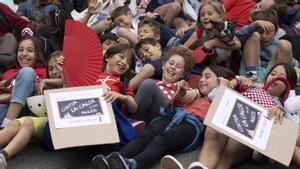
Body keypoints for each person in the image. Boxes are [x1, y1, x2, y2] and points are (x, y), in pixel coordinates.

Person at [163, 63, 298, 169]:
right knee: (213, 129)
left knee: (229, 150)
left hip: (250, 135)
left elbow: (286, 137)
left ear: (288, 86)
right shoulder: (251, 85)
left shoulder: (285, 106)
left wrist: (280, 113)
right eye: (272, 73)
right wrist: (235, 81)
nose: (275, 77)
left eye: (281, 77)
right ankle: (203, 166)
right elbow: (213, 96)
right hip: (227, 121)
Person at [0, 50, 63, 169]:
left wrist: (59, 73)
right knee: (15, 123)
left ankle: (3, 156)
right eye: (50, 69)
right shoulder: (43, 87)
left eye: (58, 66)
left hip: (54, 124)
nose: (54, 72)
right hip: (35, 119)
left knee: (28, 122)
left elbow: (66, 82)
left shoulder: (72, 82)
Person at [0, 36, 47, 127]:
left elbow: (33, 94)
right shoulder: (9, 73)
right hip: (3, 111)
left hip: (28, 112)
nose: (24, 54)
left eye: (30, 51)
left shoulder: (44, 72)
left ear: (38, 54)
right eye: (20, 50)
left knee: (27, 72)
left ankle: (6, 126)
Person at [182, 0, 241, 69]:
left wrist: (212, 43)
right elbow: (183, 50)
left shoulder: (227, 30)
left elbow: (237, 45)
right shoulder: (198, 33)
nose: (205, 17)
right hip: (202, 69)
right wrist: (193, 53)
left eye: (210, 14)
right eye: (202, 15)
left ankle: (251, 75)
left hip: (225, 72)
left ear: (220, 17)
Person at [237, 9, 293, 80]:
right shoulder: (247, 37)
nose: (264, 36)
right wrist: (252, 27)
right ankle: (252, 80)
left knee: (285, 44)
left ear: (276, 31)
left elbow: (292, 62)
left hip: (270, 77)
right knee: (254, 36)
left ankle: (274, 82)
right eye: (260, 31)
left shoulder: (278, 45)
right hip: (249, 75)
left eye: (268, 32)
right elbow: (236, 37)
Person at [0, 2, 33, 73]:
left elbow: (23, 24)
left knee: (9, 37)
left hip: (4, 50)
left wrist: (26, 39)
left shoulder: (1, 8)